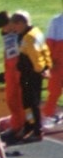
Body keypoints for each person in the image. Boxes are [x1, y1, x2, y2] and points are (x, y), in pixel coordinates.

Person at [10, 10, 51, 142]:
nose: (13, 28)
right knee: (27, 103)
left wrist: (40, 69)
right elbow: (45, 50)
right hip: (31, 73)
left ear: (21, 23)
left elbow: (35, 57)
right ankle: (29, 126)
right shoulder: (36, 32)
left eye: (15, 25)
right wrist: (47, 66)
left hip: (30, 75)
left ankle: (37, 130)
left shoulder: (28, 38)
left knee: (31, 103)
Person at [0, 10, 26, 139]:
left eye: (4, 26)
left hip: (19, 71)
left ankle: (18, 126)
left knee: (17, 100)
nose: (3, 30)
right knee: (12, 100)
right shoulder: (7, 34)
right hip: (11, 70)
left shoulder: (19, 35)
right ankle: (16, 122)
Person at [42, 0, 63, 127]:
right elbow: (49, 43)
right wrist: (49, 61)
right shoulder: (56, 21)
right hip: (58, 63)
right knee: (54, 91)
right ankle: (48, 116)